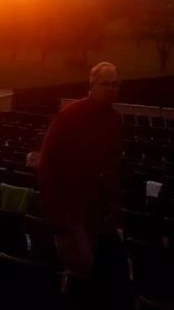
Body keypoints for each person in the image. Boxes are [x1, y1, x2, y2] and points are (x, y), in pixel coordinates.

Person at [38, 62, 123, 291]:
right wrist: (57, 217)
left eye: (115, 84)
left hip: (98, 213)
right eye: (106, 84)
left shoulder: (115, 121)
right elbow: (47, 164)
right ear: (92, 85)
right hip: (70, 213)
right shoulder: (68, 117)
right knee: (80, 273)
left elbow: (111, 167)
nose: (111, 89)